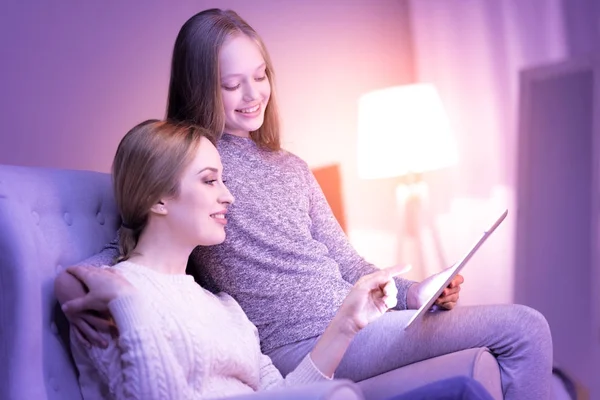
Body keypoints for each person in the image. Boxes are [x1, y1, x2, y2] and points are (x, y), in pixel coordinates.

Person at [55, 8, 553, 399]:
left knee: (505, 338)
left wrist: (415, 290)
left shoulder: (290, 166)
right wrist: (70, 282)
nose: (253, 95)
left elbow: (345, 261)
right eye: (232, 84)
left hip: (357, 322)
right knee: (524, 329)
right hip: (303, 347)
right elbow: (133, 241)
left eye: (261, 75)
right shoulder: (194, 165)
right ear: (198, 87)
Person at [66, 118, 409, 399]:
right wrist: (129, 304)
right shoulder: (108, 300)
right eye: (210, 181)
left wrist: (346, 324)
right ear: (157, 199)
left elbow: (286, 395)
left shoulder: (226, 308)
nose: (228, 196)